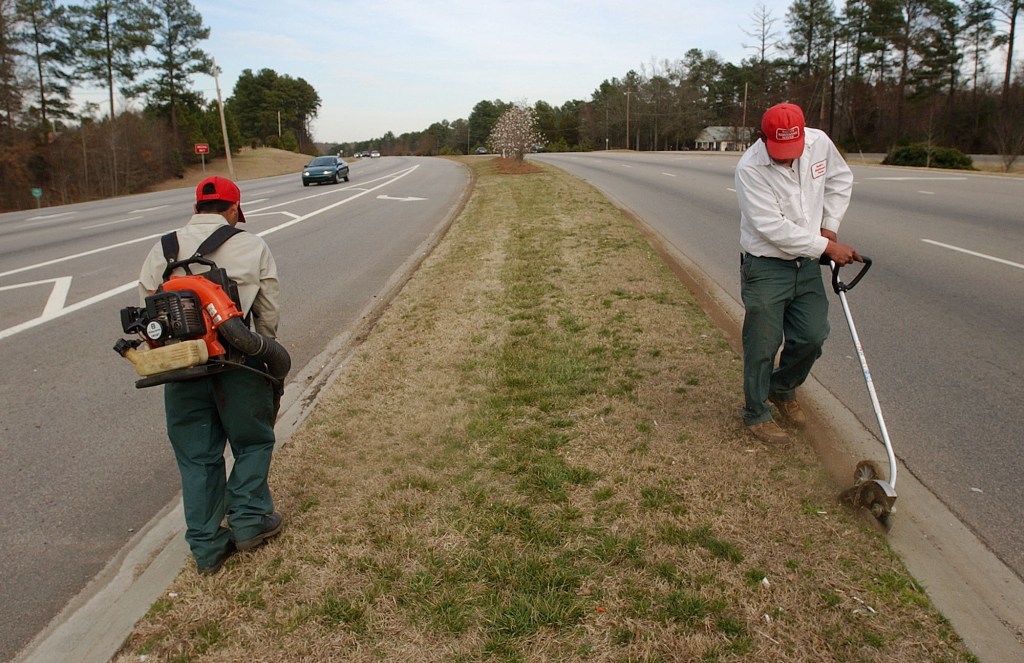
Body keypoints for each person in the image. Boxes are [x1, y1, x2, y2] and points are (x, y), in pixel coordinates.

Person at [138, 176, 284, 574]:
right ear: (234, 209)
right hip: (238, 362)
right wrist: (264, 351)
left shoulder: (163, 249)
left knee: (197, 457)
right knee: (253, 441)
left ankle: (206, 548)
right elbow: (267, 310)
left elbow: (145, 308)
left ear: (196, 208)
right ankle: (251, 521)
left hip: (182, 367)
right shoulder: (251, 245)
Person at [734, 102, 861, 444]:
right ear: (763, 138)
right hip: (766, 266)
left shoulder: (818, 142)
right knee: (763, 343)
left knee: (813, 335)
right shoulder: (750, 168)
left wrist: (830, 226)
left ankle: (782, 388)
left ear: (804, 135)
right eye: (779, 152)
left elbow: (839, 179)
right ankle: (756, 413)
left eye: (792, 150)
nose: (787, 159)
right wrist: (826, 247)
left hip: (805, 264)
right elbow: (771, 227)